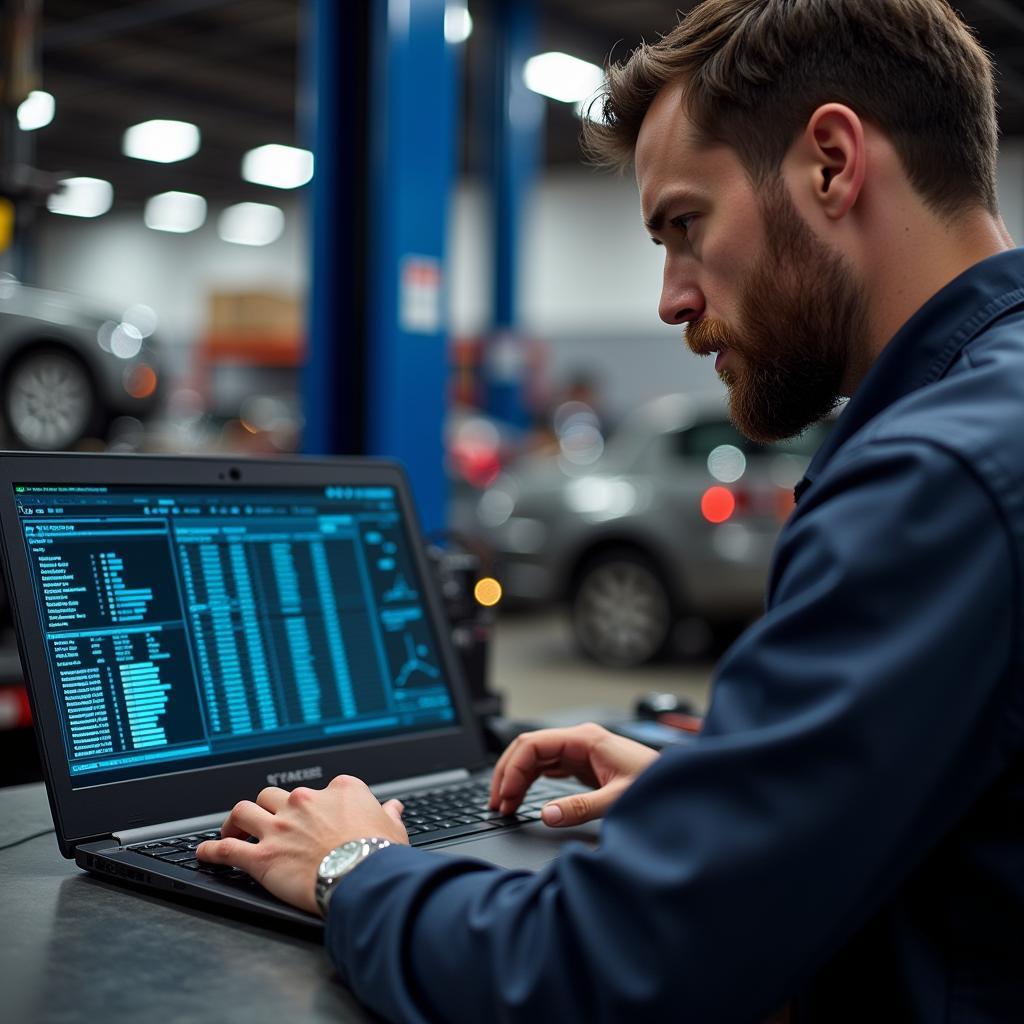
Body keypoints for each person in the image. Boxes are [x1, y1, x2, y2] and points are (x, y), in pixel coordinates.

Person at [197, 1, 1024, 1019]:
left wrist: (357, 869)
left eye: (685, 225)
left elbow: (604, 970)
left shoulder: (936, 476)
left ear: (829, 163)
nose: (672, 299)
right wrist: (729, 802)